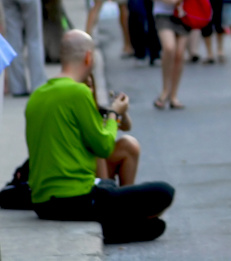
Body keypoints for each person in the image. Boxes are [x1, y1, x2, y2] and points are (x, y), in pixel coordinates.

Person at [25, 30, 175, 244]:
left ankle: (116, 224)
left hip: (41, 203)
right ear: (88, 57)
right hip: (76, 199)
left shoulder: (37, 95)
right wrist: (114, 113)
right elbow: (103, 147)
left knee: (155, 227)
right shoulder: (78, 92)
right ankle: (117, 222)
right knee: (164, 192)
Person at [141, 0, 200, 110]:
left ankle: (174, 95)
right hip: (162, 13)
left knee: (180, 54)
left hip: (182, 13)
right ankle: (164, 90)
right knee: (169, 48)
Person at [87, 74, 141, 187]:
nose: (89, 90)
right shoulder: (74, 109)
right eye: (85, 86)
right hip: (83, 167)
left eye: (90, 86)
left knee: (129, 145)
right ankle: (105, 192)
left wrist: (121, 111)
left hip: (101, 162)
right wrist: (114, 113)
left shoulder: (97, 109)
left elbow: (126, 127)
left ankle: (126, 196)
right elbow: (99, 144)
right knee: (98, 148)